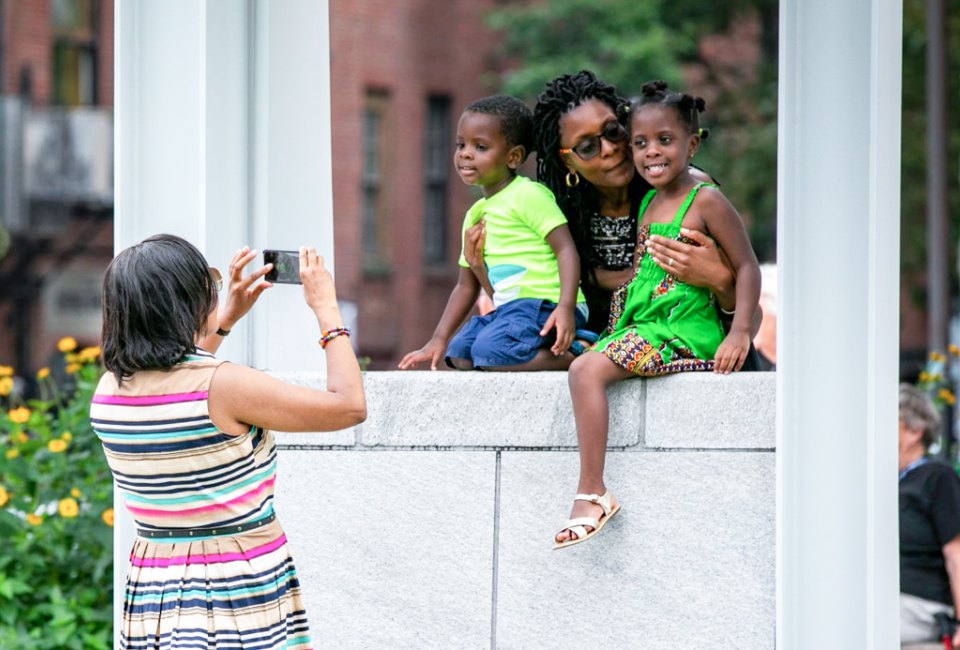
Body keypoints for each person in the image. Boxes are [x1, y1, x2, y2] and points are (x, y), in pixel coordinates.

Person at [90, 235, 366, 649]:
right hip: (232, 585)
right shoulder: (226, 385)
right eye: (209, 286)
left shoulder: (108, 392)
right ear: (183, 303)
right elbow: (348, 407)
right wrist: (327, 308)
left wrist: (223, 321)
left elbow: (180, 380)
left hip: (154, 586)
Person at [552, 81, 761, 549]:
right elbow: (640, 274)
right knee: (573, 361)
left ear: (691, 143)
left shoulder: (704, 198)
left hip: (681, 328)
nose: (649, 153)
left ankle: (593, 491)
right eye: (641, 143)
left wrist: (740, 331)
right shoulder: (648, 200)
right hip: (644, 322)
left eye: (664, 141)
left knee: (585, 372)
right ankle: (592, 488)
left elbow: (746, 266)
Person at [399, 95, 588, 372]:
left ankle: (578, 352)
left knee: (491, 353)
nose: (465, 153)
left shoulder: (528, 195)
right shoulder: (475, 214)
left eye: (480, 146)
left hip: (546, 305)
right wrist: (437, 339)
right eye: (461, 144)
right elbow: (466, 285)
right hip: (511, 312)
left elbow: (565, 249)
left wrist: (566, 307)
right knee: (461, 354)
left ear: (513, 157)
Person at [899, 383, 960, 647]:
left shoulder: (936, 477)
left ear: (914, 431)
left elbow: (956, 553)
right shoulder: (886, 482)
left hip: (919, 604)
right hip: (890, 597)